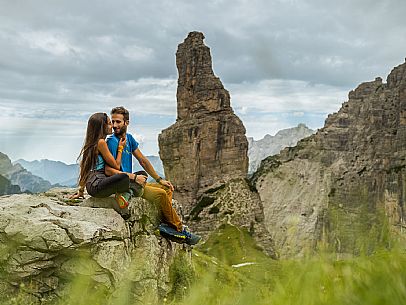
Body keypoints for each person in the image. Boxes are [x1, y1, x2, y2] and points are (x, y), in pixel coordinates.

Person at [104, 106, 201, 245]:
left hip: (134, 182)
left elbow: (143, 160)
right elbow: (108, 169)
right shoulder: (111, 142)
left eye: (118, 122)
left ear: (127, 122)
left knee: (167, 188)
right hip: (126, 184)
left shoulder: (129, 139)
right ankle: (179, 229)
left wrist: (159, 179)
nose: (114, 125)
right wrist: (134, 177)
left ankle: (166, 226)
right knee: (161, 194)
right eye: (112, 122)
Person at [69, 112, 140, 208]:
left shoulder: (92, 143)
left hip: (94, 185)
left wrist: (81, 191)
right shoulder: (101, 142)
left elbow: (84, 169)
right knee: (124, 177)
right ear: (102, 126)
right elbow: (116, 166)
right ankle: (128, 194)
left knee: (141, 174)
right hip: (98, 185)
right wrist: (120, 148)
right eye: (110, 123)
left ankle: (127, 192)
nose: (113, 126)